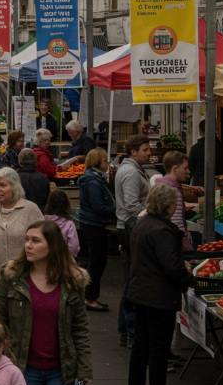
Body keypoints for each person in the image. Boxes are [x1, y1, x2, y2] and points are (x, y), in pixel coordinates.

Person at [0, 220, 92, 385]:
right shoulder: (13, 276)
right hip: (24, 370)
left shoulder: (72, 281)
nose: (28, 245)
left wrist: (84, 369)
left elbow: (80, 328)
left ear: (52, 245)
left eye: (35, 240)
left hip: (61, 372)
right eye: (26, 240)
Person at [125, 184, 193, 385]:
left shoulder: (142, 224)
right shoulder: (162, 231)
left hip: (140, 292)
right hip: (158, 296)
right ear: (167, 205)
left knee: (141, 347)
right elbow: (171, 266)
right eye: (174, 203)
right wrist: (188, 278)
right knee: (158, 350)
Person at [0, 168, 44, 294]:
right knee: (0, 313)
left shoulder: (30, 209)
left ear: (15, 187)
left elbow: (45, 238)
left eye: (3, 185)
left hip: (25, 278)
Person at [115, 134, 151, 348]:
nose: (149, 152)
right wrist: (151, 213)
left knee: (130, 279)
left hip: (128, 227)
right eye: (145, 149)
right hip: (130, 228)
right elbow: (131, 205)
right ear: (133, 151)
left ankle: (125, 330)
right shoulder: (130, 173)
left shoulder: (131, 169)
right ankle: (130, 332)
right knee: (133, 280)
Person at [78, 149, 117, 311]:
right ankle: (90, 298)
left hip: (91, 222)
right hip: (94, 224)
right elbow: (98, 206)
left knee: (95, 261)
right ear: (98, 162)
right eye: (105, 160)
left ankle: (89, 296)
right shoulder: (93, 181)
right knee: (97, 262)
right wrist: (115, 210)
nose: (107, 163)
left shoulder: (93, 178)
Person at [155, 151, 202, 252]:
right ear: (175, 169)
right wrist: (187, 247)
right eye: (185, 168)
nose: (188, 171)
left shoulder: (161, 186)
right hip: (173, 245)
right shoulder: (173, 191)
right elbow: (177, 225)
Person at [188, 118, 223, 186]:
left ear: (200, 131)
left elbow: (190, 169)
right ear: (216, 130)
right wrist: (222, 176)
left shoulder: (195, 149)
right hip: (220, 185)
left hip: (200, 186)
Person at [43, 190, 80, 258]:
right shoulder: (69, 224)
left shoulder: (43, 221)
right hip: (64, 259)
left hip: (46, 258)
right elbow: (74, 246)